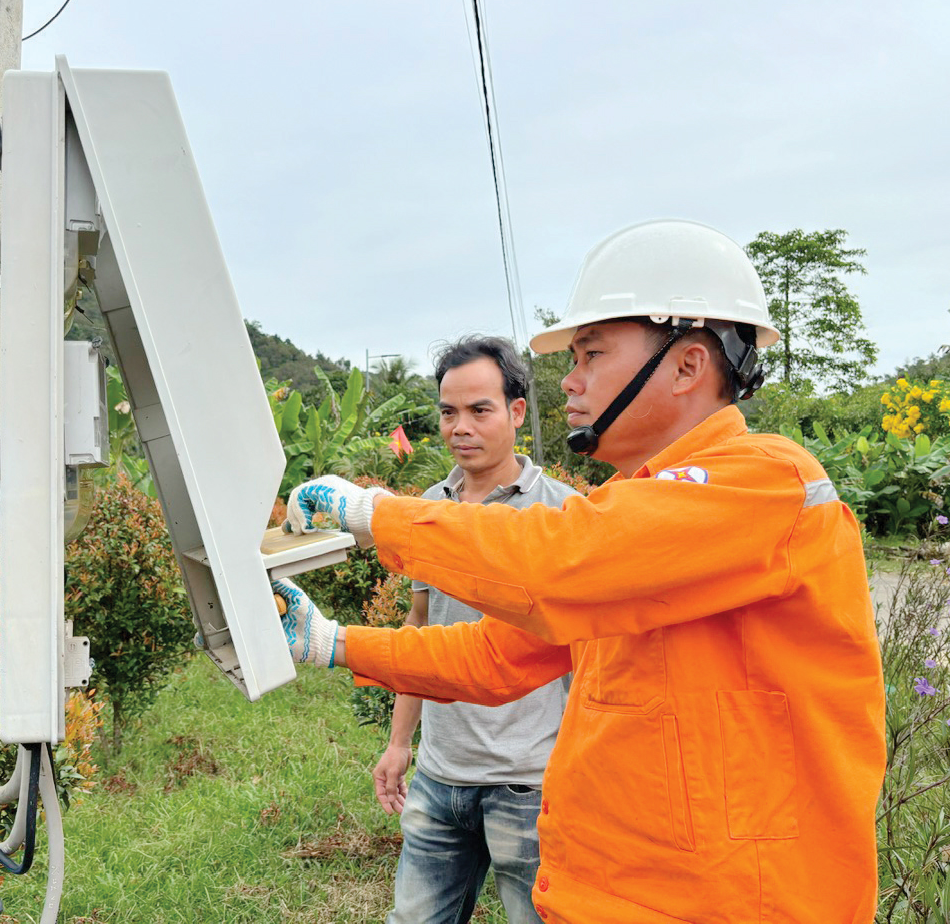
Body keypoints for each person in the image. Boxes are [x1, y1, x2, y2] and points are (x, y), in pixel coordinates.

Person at [274, 219, 886, 924]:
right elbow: (494, 655)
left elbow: (560, 560)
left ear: (687, 366)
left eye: (591, 354)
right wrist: (335, 644)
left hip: (734, 902)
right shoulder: (635, 513)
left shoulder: (763, 486)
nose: (570, 379)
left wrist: (376, 513)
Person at [375, 336, 577, 924]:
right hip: (441, 777)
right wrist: (397, 744)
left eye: (479, 410)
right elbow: (421, 629)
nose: (460, 427)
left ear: (515, 412)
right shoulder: (425, 512)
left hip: (531, 784)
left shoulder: (561, 514)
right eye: (448, 412)